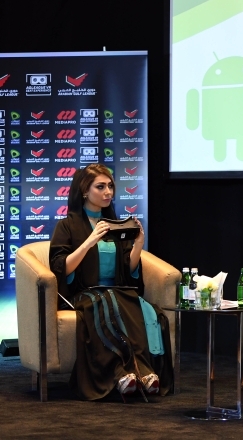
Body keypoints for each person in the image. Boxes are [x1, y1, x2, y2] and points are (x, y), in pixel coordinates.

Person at [49, 164, 173, 401]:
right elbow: (60, 267)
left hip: (116, 290)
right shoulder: (66, 226)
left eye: (110, 186)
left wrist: (138, 244)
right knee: (106, 300)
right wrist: (88, 242)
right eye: (101, 187)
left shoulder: (116, 225)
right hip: (83, 293)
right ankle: (124, 373)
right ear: (84, 191)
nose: (108, 192)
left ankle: (137, 372)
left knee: (139, 305)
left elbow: (129, 269)